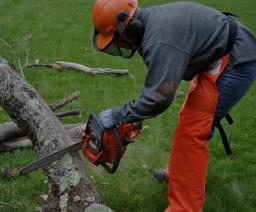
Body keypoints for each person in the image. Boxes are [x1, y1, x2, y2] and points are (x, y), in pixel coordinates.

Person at [92, 0, 256, 211]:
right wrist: (136, 115)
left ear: (130, 27)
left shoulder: (160, 39)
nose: (121, 46)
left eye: (119, 41)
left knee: (193, 132)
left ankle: (184, 207)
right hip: (216, 54)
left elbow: (158, 98)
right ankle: (180, 174)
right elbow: (159, 83)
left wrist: (117, 115)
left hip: (234, 58)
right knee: (190, 120)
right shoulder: (148, 27)